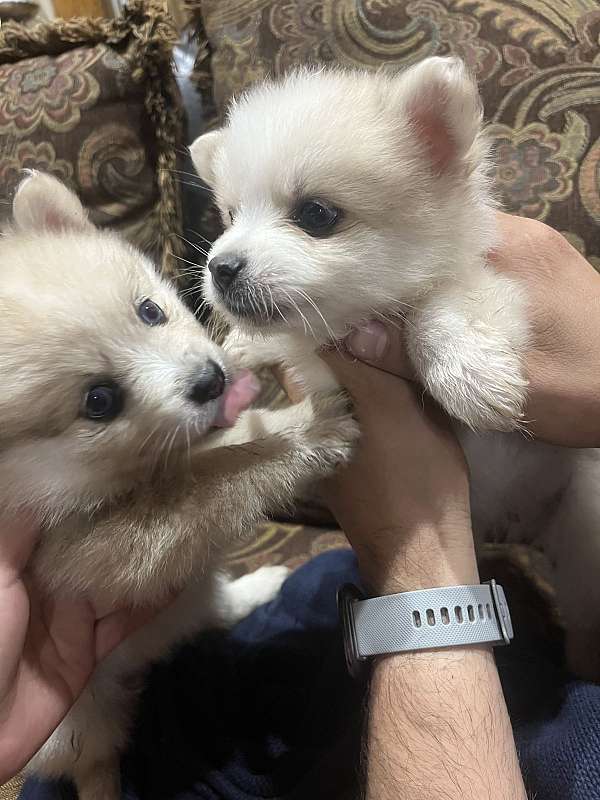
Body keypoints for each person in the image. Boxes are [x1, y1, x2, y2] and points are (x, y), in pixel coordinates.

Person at [1, 213, 600, 795]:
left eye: (151, 312)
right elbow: (144, 540)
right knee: (92, 752)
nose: (194, 368)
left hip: (162, 658)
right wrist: (313, 461)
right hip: (84, 707)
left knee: (328, 585)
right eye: (101, 400)